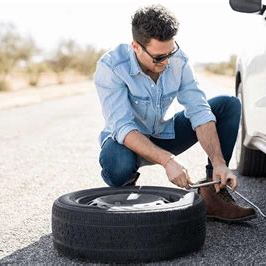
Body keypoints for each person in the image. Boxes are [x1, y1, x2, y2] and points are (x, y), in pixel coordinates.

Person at [94, 4, 256, 222]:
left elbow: (199, 110)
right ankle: (125, 192)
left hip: (163, 133)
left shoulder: (178, 60)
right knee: (118, 163)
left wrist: (219, 162)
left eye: (170, 52)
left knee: (228, 105)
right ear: (136, 47)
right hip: (126, 145)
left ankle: (213, 194)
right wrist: (167, 161)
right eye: (159, 57)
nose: (167, 61)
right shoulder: (111, 66)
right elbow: (123, 128)